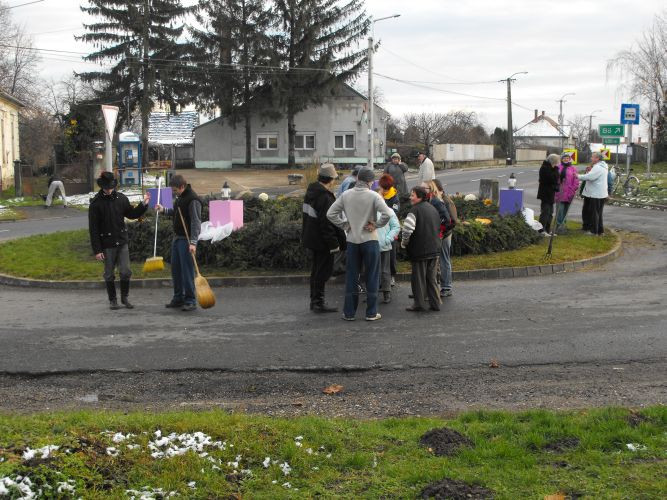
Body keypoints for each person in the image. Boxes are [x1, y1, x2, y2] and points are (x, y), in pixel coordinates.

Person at [327, 167, 394, 321]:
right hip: (370, 239)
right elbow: (388, 214)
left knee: (351, 276)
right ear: (370, 182)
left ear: (357, 179)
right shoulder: (374, 196)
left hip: (352, 240)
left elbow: (330, 214)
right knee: (371, 275)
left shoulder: (346, 194)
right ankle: (371, 313)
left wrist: (345, 225)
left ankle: (349, 313)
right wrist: (376, 225)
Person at [88, 171, 150, 310]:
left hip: (121, 241)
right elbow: (93, 229)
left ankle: (124, 298)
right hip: (107, 243)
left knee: (126, 271)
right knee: (109, 274)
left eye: (111, 187)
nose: (109, 190)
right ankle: (112, 300)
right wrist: (97, 250)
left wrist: (143, 204)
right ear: (102, 187)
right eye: (106, 187)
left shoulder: (121, 199)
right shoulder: (96, 204)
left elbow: (132, 214)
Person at [302, 163, 346, 313]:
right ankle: (318, 303)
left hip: (311, 238)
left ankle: (314, 301)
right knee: (322, 272)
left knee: (315, 271)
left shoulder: (311, 191)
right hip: (322, 242)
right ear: (330, 179)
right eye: (334, 179)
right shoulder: (325, 197)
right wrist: (334, 244)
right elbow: (327, 223)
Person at [156, 174, 203, 311]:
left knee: (187, 271)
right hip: (177, 238)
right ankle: (178, 298)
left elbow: (196, 222)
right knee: (176, 269)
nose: (173, 193)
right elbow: (176, 212)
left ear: (182, 187)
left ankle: (190, 300)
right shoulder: (181, 197)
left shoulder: (193, 200)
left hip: (186, 240)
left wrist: (193, 242)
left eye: (175, 190)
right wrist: (163, 210)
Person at [402, 186, 442, 312]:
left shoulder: (414, 210)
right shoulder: (433, 209)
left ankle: (419, 304)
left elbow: (407, 229)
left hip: (420, 250)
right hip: (434, 248)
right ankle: (435, 303)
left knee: (418, 278)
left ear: (419, 197)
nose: (410, 197)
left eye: (412, 195)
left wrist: (404, 242)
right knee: (432, 278)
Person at [375, 188, 400, 304]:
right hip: (371, 244)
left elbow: (396, 226)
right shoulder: (368, 210)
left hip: (383, 245)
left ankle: (386, 293)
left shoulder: (389, 210)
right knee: (372, 270)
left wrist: (387, 239)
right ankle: (373, 293)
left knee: (385, 271)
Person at [432, 179, 456, 297]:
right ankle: (440, 286)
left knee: (444, 260)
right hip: (442, 234)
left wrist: (442, 232)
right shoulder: (442, 200)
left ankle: (446, 287)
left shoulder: (445, 201)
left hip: (445, 235)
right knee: (441, 260)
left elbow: (451, 221)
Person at [577, 151, 608, 235]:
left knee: (593, 213)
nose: (591, 158)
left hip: (595, 194)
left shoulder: (598, 167)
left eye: (593, 157)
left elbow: (590, 177)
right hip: (598, 193)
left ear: (597, 158)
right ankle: (599, 230)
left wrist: (577, 176)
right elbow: (593, 175)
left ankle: (594, 231)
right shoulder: (603, 166)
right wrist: (590, 171)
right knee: (597, 212)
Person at [377, 174, 400, 286]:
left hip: (389, 230)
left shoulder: (394, 197)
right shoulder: (377, 195)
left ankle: (392, 276)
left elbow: (393, 214)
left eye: (387, 188)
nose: (385, 191)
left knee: (391, 256)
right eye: (383, 188)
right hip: (378, 230)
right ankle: (380, 279)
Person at [554, 152, 580, 233]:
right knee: (559, 210)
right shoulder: (558, 168)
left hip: (569, 192)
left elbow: (576, 180)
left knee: (566, 210)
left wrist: (573, 189)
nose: (566, 159)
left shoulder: (573, 168)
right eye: (564, 158)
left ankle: (563, 225)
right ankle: (558, 225)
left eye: (568, 158)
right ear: (562, 159)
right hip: (560, 192)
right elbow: (555, 179)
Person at [536, 153, 561, 235]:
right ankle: (541, 230)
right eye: (557, 161)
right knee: (545, 212)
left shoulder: (553, 168)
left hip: (551, 193)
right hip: (545, 193)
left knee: (550, 213)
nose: (558, 163)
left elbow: (557, 178)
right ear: (553, 161)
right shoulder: (545, 168)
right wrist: (555, 169)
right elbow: (552, 179)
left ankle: (547, 229)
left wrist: (555, 169)